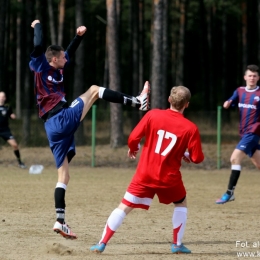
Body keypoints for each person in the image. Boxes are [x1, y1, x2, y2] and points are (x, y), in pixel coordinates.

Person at [29, 19, 150, 239]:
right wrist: (37, 24)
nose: (66, 58)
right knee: (94, 90)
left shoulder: (59, 69)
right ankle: (137, 101)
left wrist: (79, 37)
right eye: (63, 56)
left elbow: (69, 51)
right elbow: (38, 45)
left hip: (51, 127)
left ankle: (60, 221)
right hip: (61, 118)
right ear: (54, 59)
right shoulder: (40, 65)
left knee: (63, 177)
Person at [90, 86, 204, 254]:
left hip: (145, 174)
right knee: (181, 203)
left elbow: (133, 137)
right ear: (187, 104)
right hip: (169, 178)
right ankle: (177, 245)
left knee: (124, 206)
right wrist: (186, 154)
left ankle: (102, 243)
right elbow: (197, 158)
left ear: (169, 100)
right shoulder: (190, 128)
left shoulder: (153, 115)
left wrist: (133, 147)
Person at [216, 64, 260, 204]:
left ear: (258, 78)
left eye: (254, 76)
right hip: (243, 133)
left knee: (235, 158)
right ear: (245, 77)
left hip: (253, 133)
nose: (252, 78)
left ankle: (229, 193)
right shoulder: (240, 91)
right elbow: (231, 101)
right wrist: (227, 103)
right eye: (250, 75)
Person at [0, 91, 26, 168]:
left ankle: (20, 163)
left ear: (5, 98)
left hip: (5, 130)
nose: (1, 98)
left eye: (2, 96)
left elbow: (11, 115)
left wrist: (13, 116)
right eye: (0, 96)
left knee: (15, 145)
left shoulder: (7, 107)